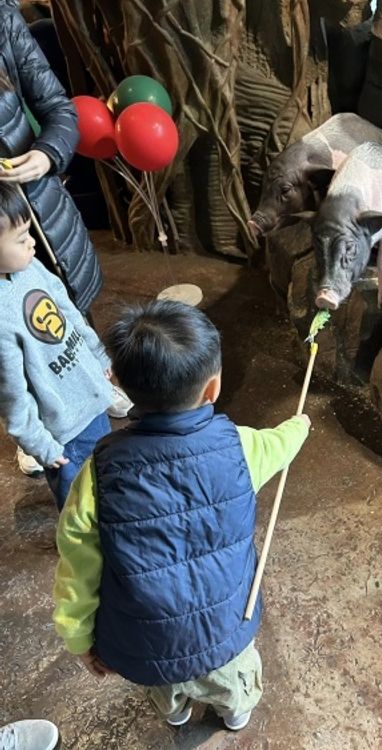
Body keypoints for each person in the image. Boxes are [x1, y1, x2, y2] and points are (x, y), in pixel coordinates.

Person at [53, 300, 311, 730]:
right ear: (212, 389)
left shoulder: (96, 474)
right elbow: (281, 444)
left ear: (117, 383)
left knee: (165, 687)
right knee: (234, 682)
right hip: (225, 630)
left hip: (147, 645)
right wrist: (300, 426)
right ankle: (235, 713)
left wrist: (79, 639)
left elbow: (77, 571)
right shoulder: (242, 447)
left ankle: (176, 713)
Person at [0, 5, 129, 477]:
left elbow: (58, 108)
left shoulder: (3, 19)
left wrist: (46, 154)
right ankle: (37, 427)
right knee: (13, 339)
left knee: (63, 304)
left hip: (36, 207)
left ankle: (93, 387)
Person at [0, 182, 114, 510]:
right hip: (62, 435)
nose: (32, 242)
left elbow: (70, 314)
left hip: (92, 400)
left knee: (107, 482)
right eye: (21, 239)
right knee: (79, 506)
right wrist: (41, 446)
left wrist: (97, 355)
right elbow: (11, 397)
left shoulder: (31, 266)